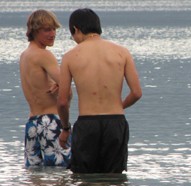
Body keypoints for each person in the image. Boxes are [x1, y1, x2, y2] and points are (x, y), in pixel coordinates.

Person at [57, 8, 142, 173]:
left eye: (72, 36)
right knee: (114, 181)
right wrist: (118, 106)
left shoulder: (70, 56)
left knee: (84, 182)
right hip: (116, 122)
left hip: (87, 124)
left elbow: (62, 101)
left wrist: (66, 129)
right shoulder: (122, 52)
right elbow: (137, 93)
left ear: (75, 29)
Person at [20, 9, 73, 166]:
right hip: (51, 121)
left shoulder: (24, 56)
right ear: (34, 30)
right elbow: (67, 92)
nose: (53, 34)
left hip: (32, 124)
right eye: (47, 29)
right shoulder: (44, 55)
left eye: (54, 29)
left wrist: (59, 84)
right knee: (63, 175)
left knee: (36, 181)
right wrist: (66, 92)